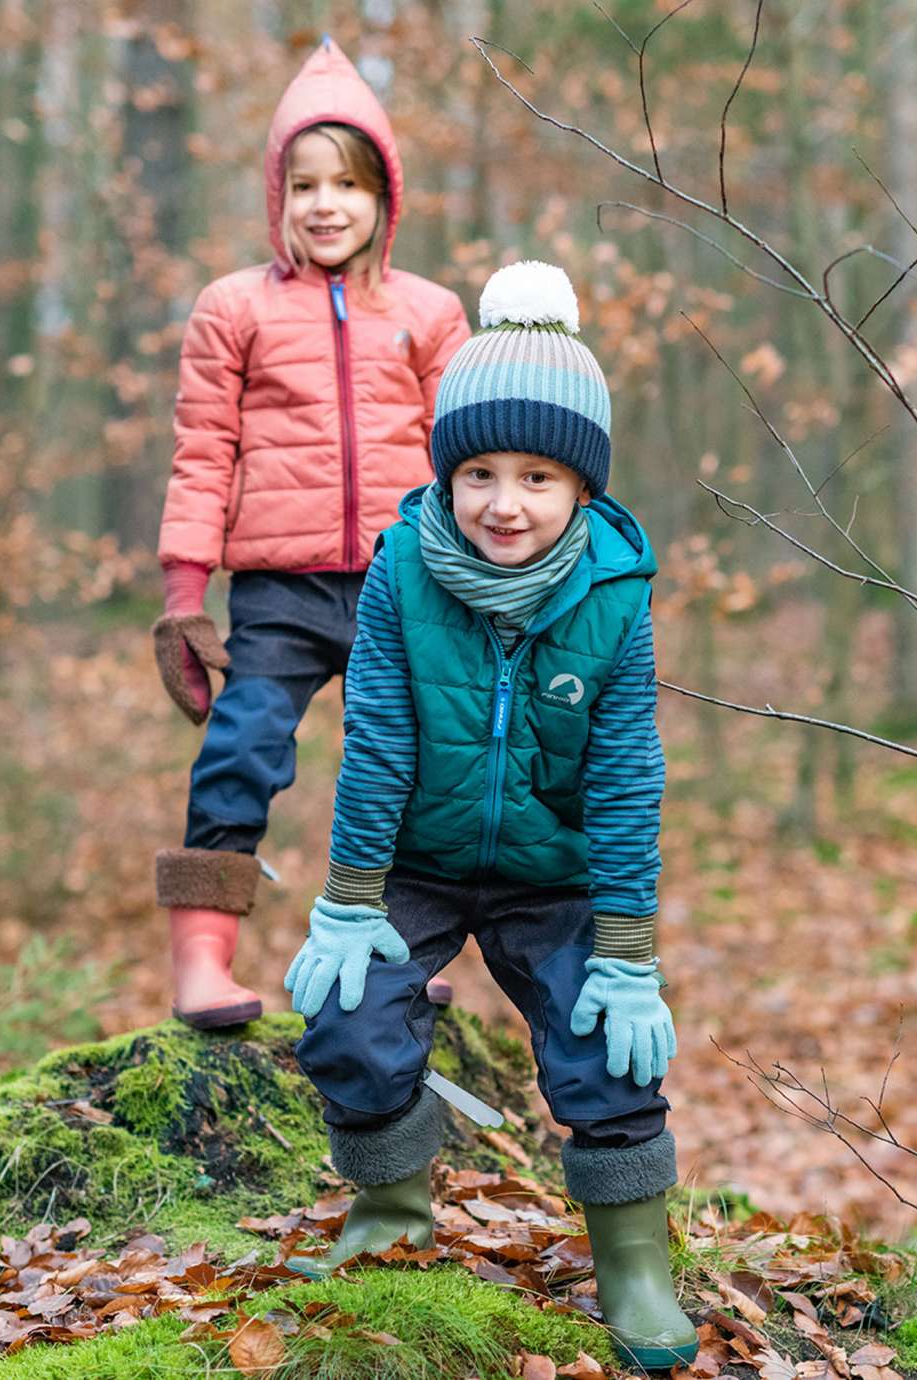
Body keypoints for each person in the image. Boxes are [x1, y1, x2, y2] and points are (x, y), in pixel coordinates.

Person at [282, 261, 699, 1372]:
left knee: (604, 1044)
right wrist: (348, 901)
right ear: (446, 472)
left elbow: (625, 777)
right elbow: (377, 741)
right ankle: (388, 1218)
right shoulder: (404, 572)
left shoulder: (612, 596)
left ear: (583, 490)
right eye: (476, 471)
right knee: (351, 1018)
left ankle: (633, 1266)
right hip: (414, 859)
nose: (502, 503)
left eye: (536, 476)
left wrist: (626, 952)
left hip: (553, 872)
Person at [152, 36, 470, 1029]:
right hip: (280, 593)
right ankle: (204, 961)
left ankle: (395, 957)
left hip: (406, 585)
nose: (326, 204)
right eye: (304, 185)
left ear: (385, 198)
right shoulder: (233, 309)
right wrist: (181, 600)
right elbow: (203, 453)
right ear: (275, 198)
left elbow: (466, 459)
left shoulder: (430, 313)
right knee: (242, 750)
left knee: (419, 770)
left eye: (348, 184)